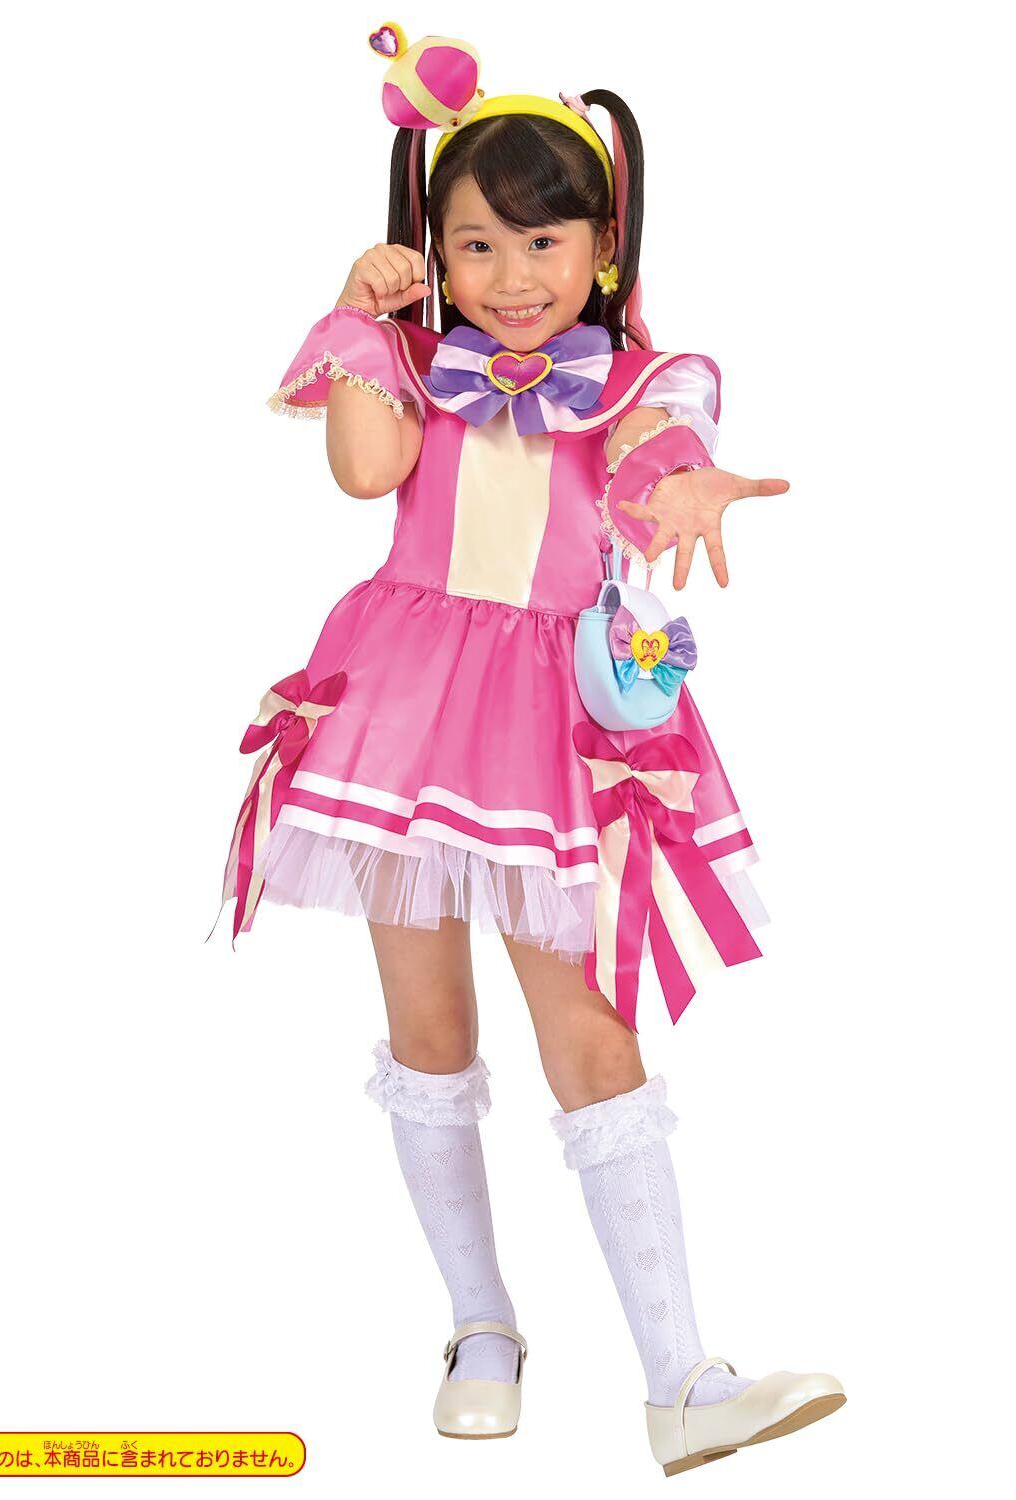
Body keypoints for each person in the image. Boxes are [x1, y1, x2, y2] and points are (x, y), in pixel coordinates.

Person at [215, 25, 846, 1476]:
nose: (510, 277)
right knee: (428, 1027)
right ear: (430, 251)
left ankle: (682, 1378)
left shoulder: (637, 382)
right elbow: (365, 471)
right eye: (476, 244)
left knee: (592, 1033)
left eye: (542, 241)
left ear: (604, 246)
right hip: (404, 706)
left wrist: (693, 491)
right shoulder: (407, 363)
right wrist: (356, 315)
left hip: (550, 731)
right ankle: (480, 1327)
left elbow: (659, 460)